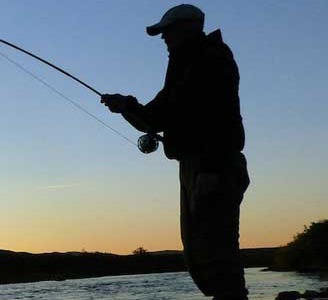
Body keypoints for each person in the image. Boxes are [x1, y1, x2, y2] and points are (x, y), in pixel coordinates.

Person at [100, 4, 250, 300]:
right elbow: (155, 117)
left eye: (167, 31)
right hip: (194, 167)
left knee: (216, 248)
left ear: (189, 27)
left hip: (213, 167)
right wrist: (124, 107)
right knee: (198, 250)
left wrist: (209, 169)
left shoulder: (212, 59)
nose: (163, 38)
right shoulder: (183, 66)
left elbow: (217, 118)